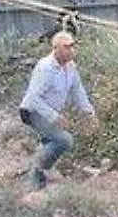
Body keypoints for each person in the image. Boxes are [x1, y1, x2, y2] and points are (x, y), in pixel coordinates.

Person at [18, 30, 96, 190]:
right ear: (56, 49)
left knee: (52, 142)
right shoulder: (45, 68)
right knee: (64, 140)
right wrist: (54, 117)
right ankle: (38, 171)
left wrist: (88, 113)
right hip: (33, 111)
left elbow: (78, 91)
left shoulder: (70, 67)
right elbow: (33, 98)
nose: (71, 50)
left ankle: (40, 178)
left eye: (73, 46)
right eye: (67, 47)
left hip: (50, 112)